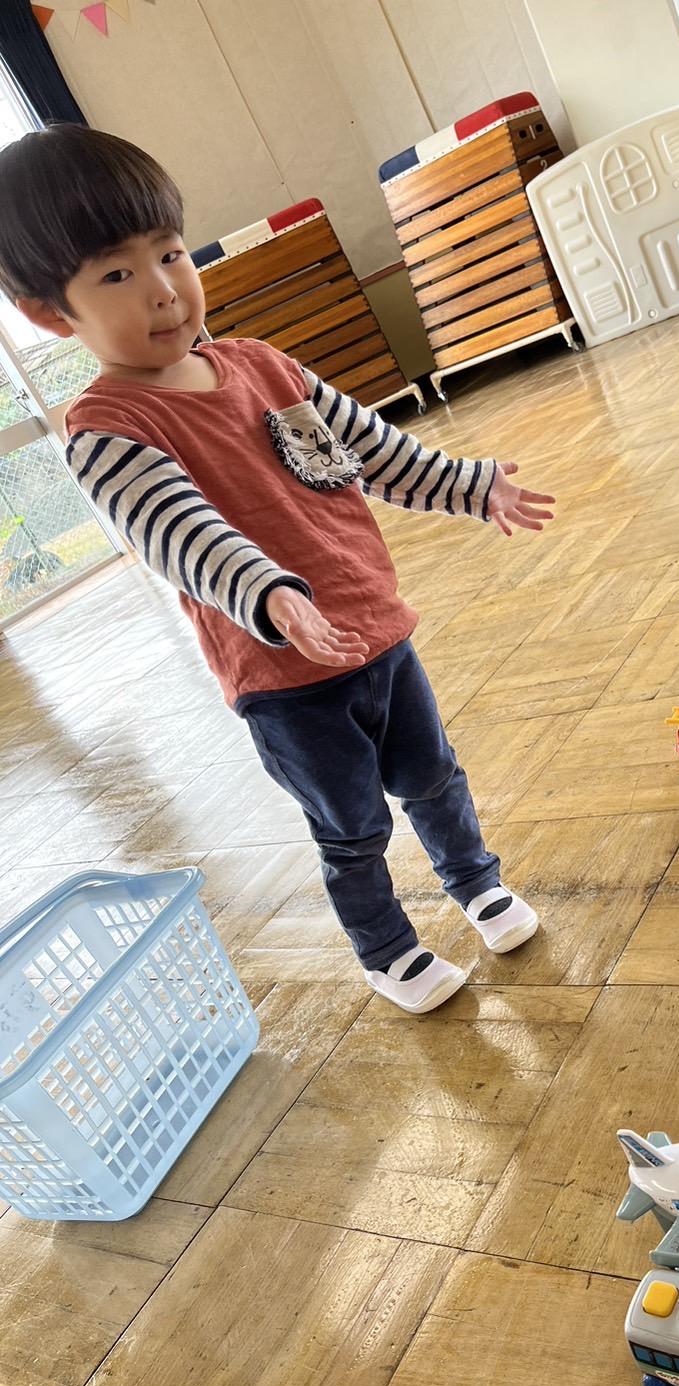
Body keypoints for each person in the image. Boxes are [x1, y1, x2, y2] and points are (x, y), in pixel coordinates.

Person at [0, 124, 555, 1013]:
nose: (163, 289)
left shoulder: (263, 365)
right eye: (116, 275)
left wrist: (470, 485)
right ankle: (386, 950)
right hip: (283, 677)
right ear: (47, 312)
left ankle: (475, 882)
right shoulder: (105, 427)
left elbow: (370, 449)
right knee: (352, 825)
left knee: (433, 776)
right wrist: (271, 594)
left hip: (378, 632)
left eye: (169, 253)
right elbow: (175, 528)